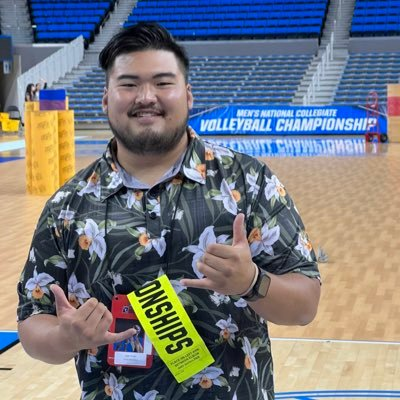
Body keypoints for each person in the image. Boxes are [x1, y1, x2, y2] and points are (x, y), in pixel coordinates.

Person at [17, 22, 321, 399]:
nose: (146, 96)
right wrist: (66, 337)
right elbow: (33, 322)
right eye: (129, 84)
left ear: (188, 95)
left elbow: (305, 304)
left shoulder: (247, 182)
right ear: (106, 99)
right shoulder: (68, 205)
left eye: (163, 82)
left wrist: (252, 282)